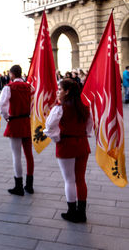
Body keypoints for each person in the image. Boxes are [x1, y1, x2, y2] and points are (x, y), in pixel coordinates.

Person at [44, 79, 92, 223]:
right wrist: (83, 134)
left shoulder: (60, 108)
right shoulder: (84, 107)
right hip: (82, 143)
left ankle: (72, 212)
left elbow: (48, 127)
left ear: (67, 91)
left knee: (69, 180)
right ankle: (81, 213)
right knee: (81, 179)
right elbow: (90, 126)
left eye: (60, 89)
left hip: (66, 144)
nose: (58, 92)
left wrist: (57, 138)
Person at [0, 65, 34, 196]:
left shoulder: (8, 87)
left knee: (16, 155)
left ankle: (18, 186)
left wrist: (7, 117)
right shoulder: (30, 87)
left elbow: (0, 105)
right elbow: (34, 103)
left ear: (12, 74)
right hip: (26, 121)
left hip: (15, 121)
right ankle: (29, 185)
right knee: (29, 154)